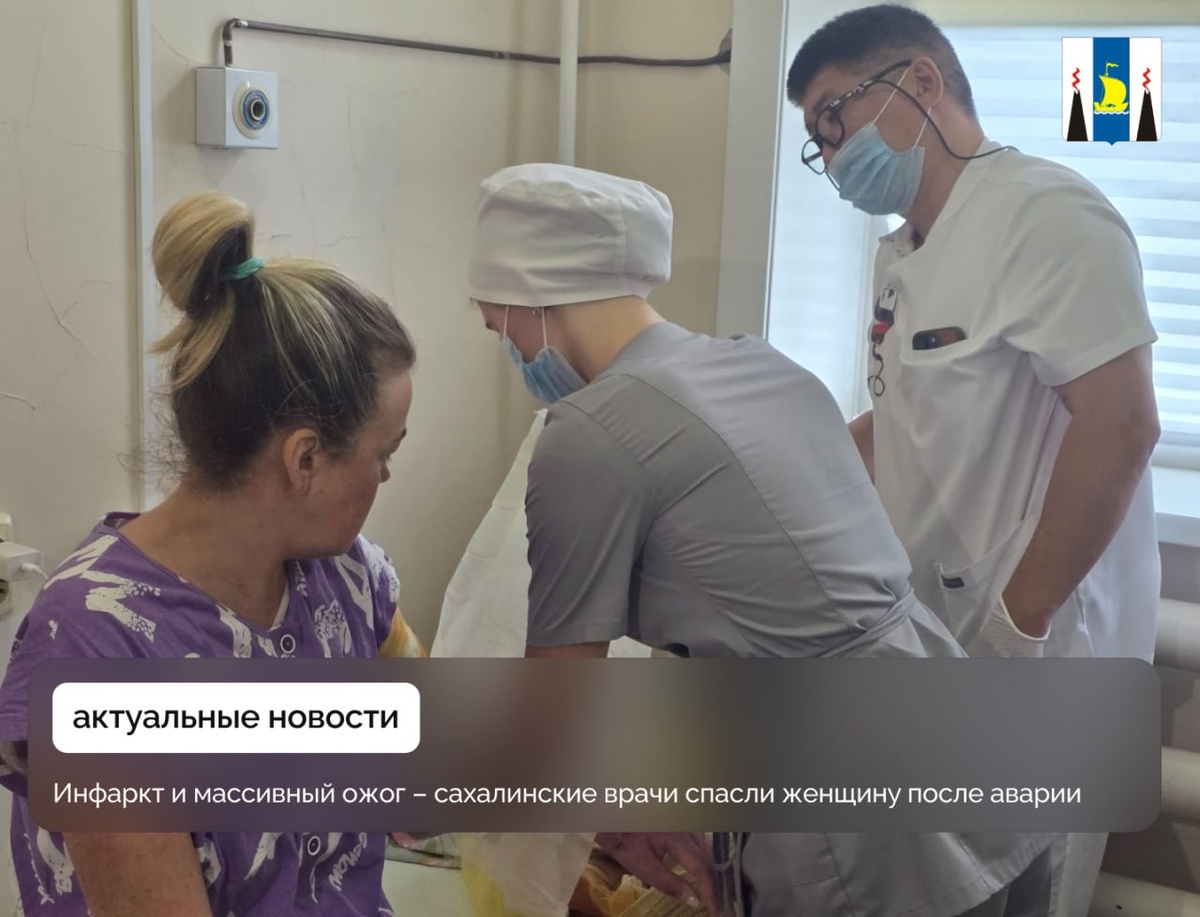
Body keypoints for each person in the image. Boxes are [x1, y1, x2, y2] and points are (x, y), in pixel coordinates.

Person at [465, 162, 1053, 917]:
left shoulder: (586, 432)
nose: (510, 348)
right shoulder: (760, 363)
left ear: (529, 298)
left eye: (499, 328)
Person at [784, 6, 1161, 916]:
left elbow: (1120, 424)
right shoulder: (904, 251)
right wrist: (784, 482)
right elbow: (905, 413)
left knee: (1028, 880)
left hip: (1039, 643)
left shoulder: (1045, 215)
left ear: (922, 82)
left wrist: (1018, 624)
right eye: (817, 140)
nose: (832, 153)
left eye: (836, 117)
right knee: (952, 884)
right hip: (947, 632)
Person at [0, 191, 421, 916]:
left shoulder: (349, 577)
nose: (386, 476)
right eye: (384, 454)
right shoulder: (97, 651)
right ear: (305, 460)